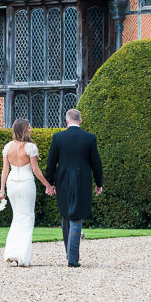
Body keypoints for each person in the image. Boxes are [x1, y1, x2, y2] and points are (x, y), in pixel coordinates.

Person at [45, 108, 103, 267]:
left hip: (63, 181)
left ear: (66, 121)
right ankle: (72, 258)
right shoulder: (89, 138)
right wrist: (99, 184)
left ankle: (69, 253)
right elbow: (96, 163)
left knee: (66, 214)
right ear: (80, 121)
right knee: (76, 216)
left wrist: (49, 184)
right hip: (82, 181)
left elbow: (51, 163)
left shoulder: (58, 137)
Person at [0, 118, 55, 267]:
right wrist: (48, 185)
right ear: (23, 130)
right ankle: (21, 256)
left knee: (17, 217)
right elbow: (35, 170)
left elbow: (5, 170)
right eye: (29, 128)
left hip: (12, 184)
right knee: (27, 217)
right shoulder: (30, 147)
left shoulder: (7, 147)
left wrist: (2, 190)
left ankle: (11, 253)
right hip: (26, 184)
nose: (31, 130)